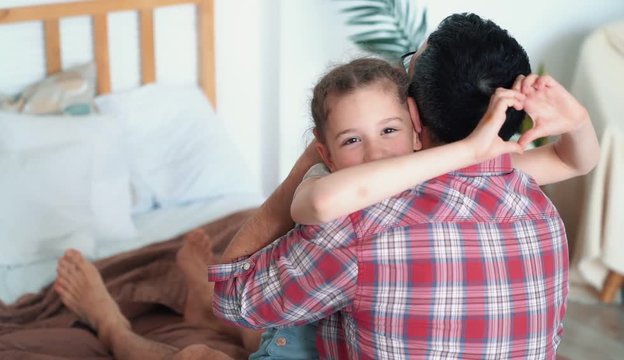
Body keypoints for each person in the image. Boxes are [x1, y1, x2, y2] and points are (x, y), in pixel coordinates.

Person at [208, 12, 599, 359]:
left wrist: (313, 159)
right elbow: (573, 160)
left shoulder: (362, 221)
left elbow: (232, 299)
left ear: (412, 112)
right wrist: (578, 120)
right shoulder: (541, 212)